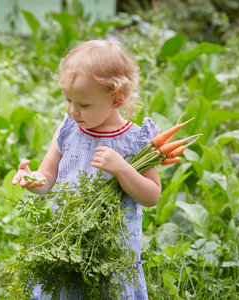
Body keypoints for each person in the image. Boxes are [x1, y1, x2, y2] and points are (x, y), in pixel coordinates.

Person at [12, 38, 161, 299]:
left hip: (113, 254)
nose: (72, 110)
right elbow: (48, 177)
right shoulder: (68, 129)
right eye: (68, 100)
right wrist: (32, 179)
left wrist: (123, 169)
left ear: (117, 99)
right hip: (69, 244)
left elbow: (152, 196)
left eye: (83, 105)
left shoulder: (135, 140)